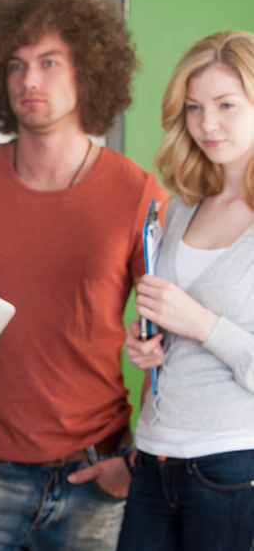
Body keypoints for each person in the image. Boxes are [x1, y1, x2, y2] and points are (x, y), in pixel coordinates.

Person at [0, 0, 168, 550]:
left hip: (96, 471)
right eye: (15, 64)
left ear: (88, 69)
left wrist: (136, 463)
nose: (29, 80)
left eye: (49, 62)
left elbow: (172, 341)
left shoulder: (138, 194)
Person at [117, 31, 254, 551]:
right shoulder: (179, 207)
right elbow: (174, 325)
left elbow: (201, 321)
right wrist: (148, 341)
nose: (207, 124)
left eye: (226, 105)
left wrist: (199, 322)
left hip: (234, 467)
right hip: (154, 459)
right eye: (194, 107)